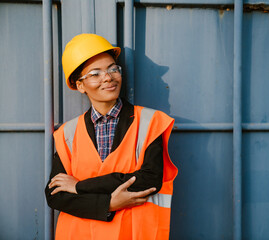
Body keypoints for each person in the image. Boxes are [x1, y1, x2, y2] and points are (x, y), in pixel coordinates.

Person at [45, 33, 178, 240]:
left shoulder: (150, 121)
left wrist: (79, 186)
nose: (108, 77)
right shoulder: (67, 134)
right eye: (95, 73)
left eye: (113, 69)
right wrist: (108, 204)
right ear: (80, 85)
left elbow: (149, 179)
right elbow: (56, 196)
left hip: (134, 234)